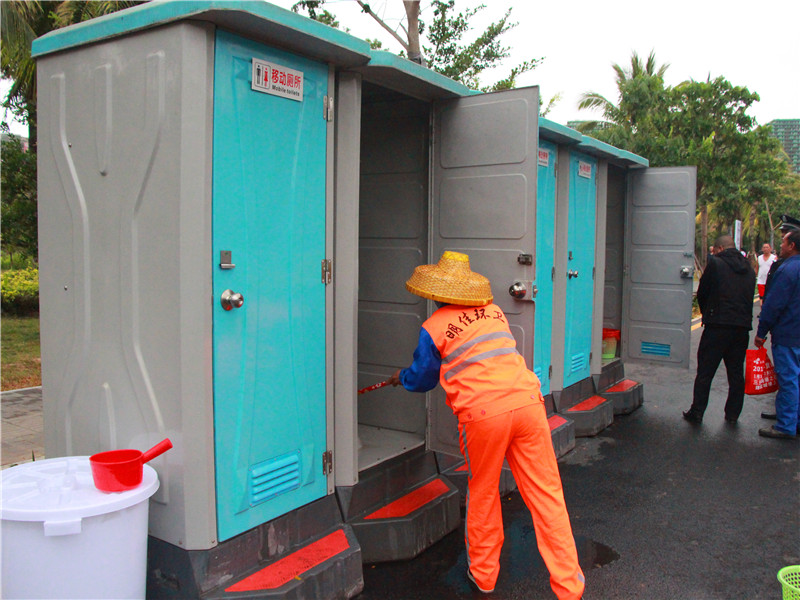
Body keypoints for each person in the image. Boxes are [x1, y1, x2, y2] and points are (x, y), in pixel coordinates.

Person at [387, 251, 585, 599]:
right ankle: (570, 587)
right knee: (547, 495)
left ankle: (484, 577)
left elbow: (422, 379)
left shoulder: (433, 327)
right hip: (528, 403)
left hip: (484, 415)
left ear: (436, 294)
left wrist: (400, 377)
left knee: (484, 493)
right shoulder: (494, 312)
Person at [684, 235, 756, 424]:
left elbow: (703, 292)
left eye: (715, 250)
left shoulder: (716, 264)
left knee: (705, 371)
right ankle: (732, 414)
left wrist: (708, 313)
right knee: (736, 373)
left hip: (717, 325)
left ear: (720, 249)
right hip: (741, 327)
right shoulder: (748, 267)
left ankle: (697, 411)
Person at [755, 226, 800, 439]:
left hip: (788, 334)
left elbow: (774, 305)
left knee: (788, 380)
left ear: (792, 246)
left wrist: (761, 331)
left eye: (783, 242)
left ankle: (785, 425)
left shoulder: (787, 270)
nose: (780, 246)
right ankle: (794, 420)